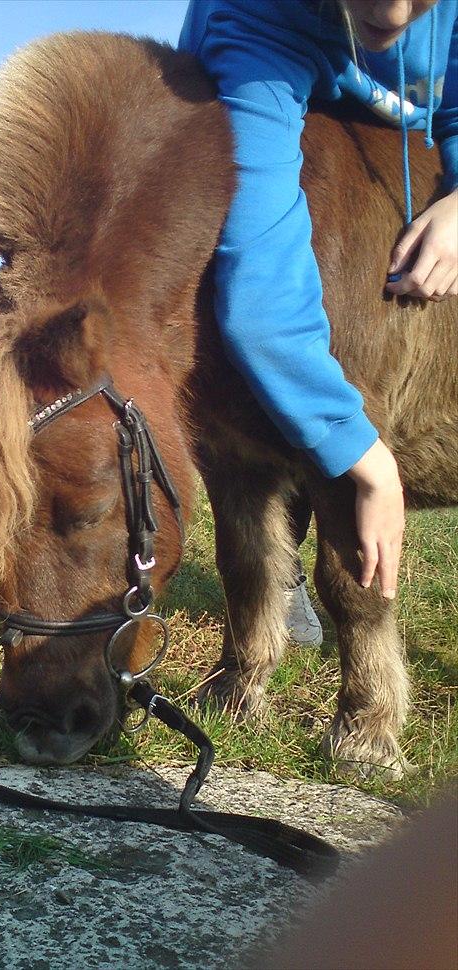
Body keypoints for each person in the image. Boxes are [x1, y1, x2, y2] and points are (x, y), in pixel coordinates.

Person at [178, 0, 458, 642]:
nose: (393, 12)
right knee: (255, 354)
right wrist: (368, 459)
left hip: (378, 161)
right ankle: (269, 600)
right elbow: (260, 291)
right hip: (283, 135)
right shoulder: (254, 18)